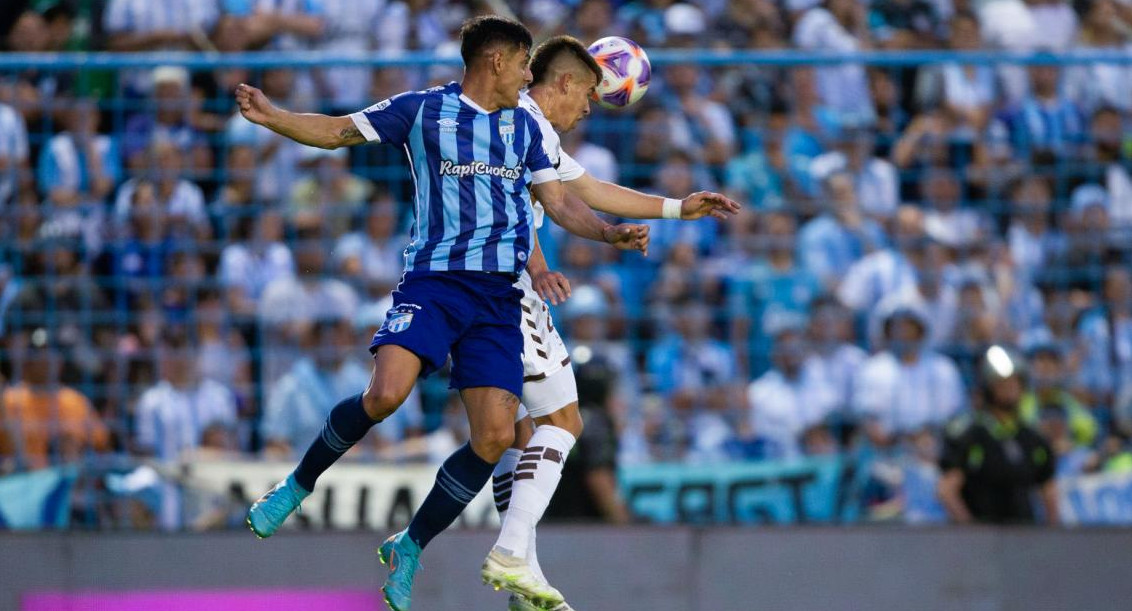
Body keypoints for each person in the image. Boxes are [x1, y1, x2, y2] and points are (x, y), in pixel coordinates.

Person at [237, 17, 648, 611]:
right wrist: (275, 116)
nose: (531, 77)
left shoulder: (524, 128)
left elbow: (560, 202)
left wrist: (609, 234)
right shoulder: (423, 111)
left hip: (498, 300)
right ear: (496, 61)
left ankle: (410, 546)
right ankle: (295, 486)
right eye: (525, 64)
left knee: (494, 438)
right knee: (385, 396)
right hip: (433, 283)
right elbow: (336, 133)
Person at [485, 35, 740, 611]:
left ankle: (518, 565)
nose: (589, 110)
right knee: (562, 421)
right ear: (568, 81)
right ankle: (509, 554)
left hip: (473, 287)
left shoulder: (532, 126)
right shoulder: (524, 121)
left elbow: (592, 189)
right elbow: (553, 204)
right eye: (591, 97)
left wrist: (677, 208)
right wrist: (564, 251)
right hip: (499, 288)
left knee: (507, 431)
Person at [937, 346, 1059, 524]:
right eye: (1002, 383)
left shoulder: (1033, 439)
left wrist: (1051, 534)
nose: (1010, 388)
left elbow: (1048, 490)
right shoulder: (969, 435)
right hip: (982, 537)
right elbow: (947, 490)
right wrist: (969, 530)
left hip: (1024, 536)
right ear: (988, 386)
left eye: (1015, 382)